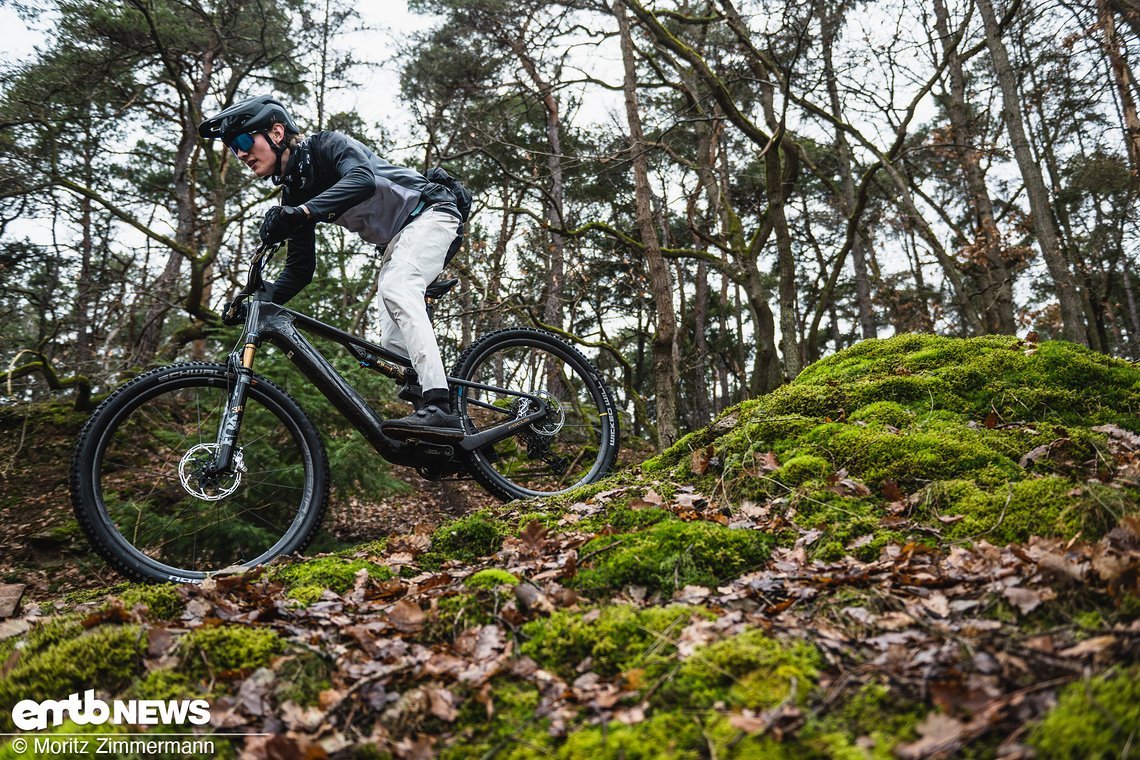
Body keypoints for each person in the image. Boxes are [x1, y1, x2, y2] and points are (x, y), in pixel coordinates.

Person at [198, 95, 465, 442]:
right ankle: (436, 424)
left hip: (431, 213)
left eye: (245, 141)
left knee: (398, 286)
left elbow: (362, 180)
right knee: (392, 343)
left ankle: (440, 407)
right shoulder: (295, 191)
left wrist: (302, 213)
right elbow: (300, 269)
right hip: (399, 240)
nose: (242, 155)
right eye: (234, 150)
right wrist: (257, 301)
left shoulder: (326, 145)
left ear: (277, 132)